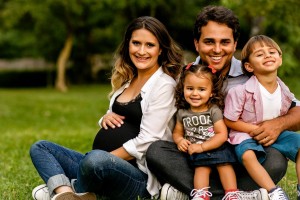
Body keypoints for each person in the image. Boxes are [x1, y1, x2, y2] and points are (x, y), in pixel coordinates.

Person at [146, 5, 300, 200]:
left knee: (276, 161)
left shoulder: (252, 72)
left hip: (241, 156)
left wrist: (278, 124)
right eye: (209, 42)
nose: (217, 49)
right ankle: (243, 196)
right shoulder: (185, 78)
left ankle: (189, 193)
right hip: (197, 155)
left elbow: (297, 110)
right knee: (156, 152)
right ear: (197, 43)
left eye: (225, 42)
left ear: (235, 44)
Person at [30, 16, 183, 200]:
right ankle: (67, 195)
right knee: (41, 148)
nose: (141, 51)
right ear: (128, 45)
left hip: (136, 177)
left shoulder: (164, 85)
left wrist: (104, 160)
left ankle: (68, 188)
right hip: (99, 166)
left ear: (161, 50)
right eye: (136, 43)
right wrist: (105, 118)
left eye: (150, 45)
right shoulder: (127, 80)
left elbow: (148, 141)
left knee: (95, 160)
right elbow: (120, 116)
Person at [173, 63, 268, 200]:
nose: (195, 93)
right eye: (189, 88)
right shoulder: (182, 113)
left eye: (201, 89)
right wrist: (180, 140)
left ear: (211, 92)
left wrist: (202, 147)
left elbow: (222, 135)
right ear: (183, 89)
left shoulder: (214, 110)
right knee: (201, 169)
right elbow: (177, 132)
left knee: (225, 166)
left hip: (217, 147)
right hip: (197, 149)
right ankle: (201, 194)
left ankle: (231, 193)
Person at [224, 35, 300, 199]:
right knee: (247, 154)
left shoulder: (283, 89)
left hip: (275, 133)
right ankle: (273, 191)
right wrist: (255, 130)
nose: (267, 55)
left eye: (272, 52)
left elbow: (294, 109)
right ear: (249, 66)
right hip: (245, 132)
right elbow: (229, 120)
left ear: (280, 59)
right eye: (259, 54)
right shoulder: (240, 91)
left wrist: (277, 126)